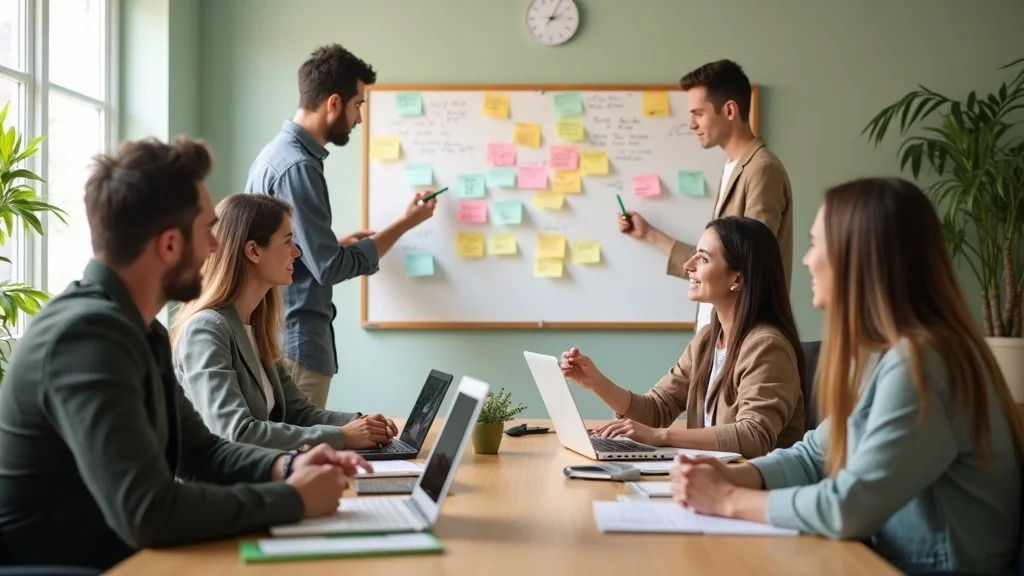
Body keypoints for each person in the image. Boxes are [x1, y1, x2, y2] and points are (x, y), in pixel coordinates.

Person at [0, 137, 373, 571]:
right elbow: (148, 511)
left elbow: (201, 452)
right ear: (169, 245)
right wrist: (291, 498)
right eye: (206, 231)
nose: (215, 246)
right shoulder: (86, 337)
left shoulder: (140, 329)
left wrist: (288, 465)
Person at [670, 178, 1024, 575]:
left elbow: (848, 507)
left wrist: (727, 499)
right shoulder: (884, 355)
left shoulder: (923, 363)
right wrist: (736, 474)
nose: (806, 260)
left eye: (815, 244)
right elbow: (814, 456)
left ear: (859, 257)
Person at [245, 43, 438, 409]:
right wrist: (405, 224)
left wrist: (334, 243)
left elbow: (282, 249)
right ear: (334, 102)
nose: (360, 118)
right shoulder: (298, 167)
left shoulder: (277, 156)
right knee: (302, 444)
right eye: (358, 105)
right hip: (297, 341)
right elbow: (328, 267)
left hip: (283, 335)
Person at [561, 216, 805, 459]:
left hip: (752, 480)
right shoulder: (707, 340)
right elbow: (656, 409)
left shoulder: (766, 346)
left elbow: (754, 436)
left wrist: (661, 436)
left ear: (737, 279)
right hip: (710, 474)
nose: (688, 265)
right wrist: (596, 382)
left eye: (703, 258)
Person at [170, 194, 398, 451]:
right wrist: (342, 436)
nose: (296, 252)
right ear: (253, 251)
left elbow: (298, 413)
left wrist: (360, 424)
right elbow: (236, 433)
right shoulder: (206, 329)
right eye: (288, 241)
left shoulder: (256, 326)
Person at [619, 59, 794, 333]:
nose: (691, 124)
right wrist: (649, 234)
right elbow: (718, 259)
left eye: (698, 113)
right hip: (720, 332)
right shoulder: (733, 166)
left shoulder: (761, 169)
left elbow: (750, 260)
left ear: (730, 110)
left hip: (743, 332)